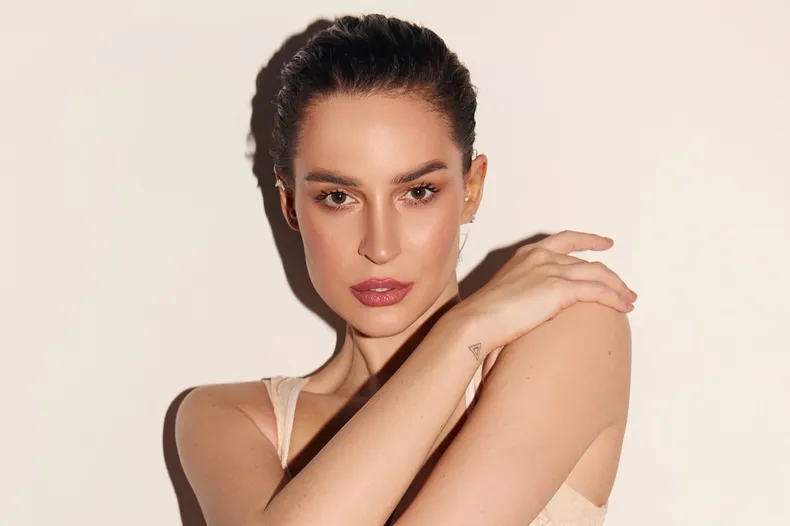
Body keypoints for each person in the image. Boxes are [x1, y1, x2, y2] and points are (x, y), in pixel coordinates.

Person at [176, 14, 635, 526]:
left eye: (418, 192)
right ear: (291, 206)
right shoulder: (228, 421)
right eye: (338, 197)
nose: (379, 247)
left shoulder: (571, 326)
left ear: (471, 189)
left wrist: (469, 330)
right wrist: (465, 332)